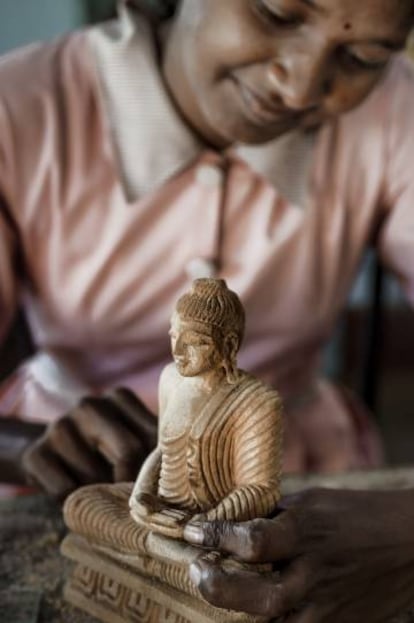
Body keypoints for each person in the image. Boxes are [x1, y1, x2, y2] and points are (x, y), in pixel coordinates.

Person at [0, 0, 413, 620]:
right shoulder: (21, 107)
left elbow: (252, 489)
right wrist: (27, 444)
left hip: (300, 486)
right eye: (276, 13)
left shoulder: (395, 113)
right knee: (95, 526)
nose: (300, 84)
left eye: (362, 57)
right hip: (62, 470)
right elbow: (153, 478)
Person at [129, 278, 283, 537]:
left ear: (230, 345)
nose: (178, 350)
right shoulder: (170, 379)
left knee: (244, 547)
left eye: (195, 342)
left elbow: (260, 490)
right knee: (85, 505)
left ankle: (181, 558)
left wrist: (202, 525)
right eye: (174, 336)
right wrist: (141, 496)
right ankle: (173, 556)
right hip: (162, 512)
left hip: (214, 526)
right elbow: (161, 451)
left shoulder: (258, 401)